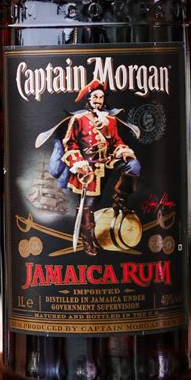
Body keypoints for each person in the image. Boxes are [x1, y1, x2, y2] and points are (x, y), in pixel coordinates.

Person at [60, 80, 140, 255]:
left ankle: (120, 202)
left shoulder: (110, 120)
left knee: (133, 166)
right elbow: (70, 144)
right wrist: (79, 163)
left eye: (101, 97)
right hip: (88, 167)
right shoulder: (78, 119)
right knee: (88, 204)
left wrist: (123, 150)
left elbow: (116, 141)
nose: (98, 100)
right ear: (88, 99)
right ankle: (87, 237)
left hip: (107, 161)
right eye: (95, 96)